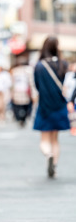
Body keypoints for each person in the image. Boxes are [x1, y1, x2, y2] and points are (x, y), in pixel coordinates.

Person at [33, 36, 70, 178]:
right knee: (55, 139)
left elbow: (37, 86)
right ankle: (54, 165)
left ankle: (48, 155)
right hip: (60, 105)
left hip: (44, 106)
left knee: (44, 140)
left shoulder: (39, 66)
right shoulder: (64, 64)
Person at [10, 55, 37, 127]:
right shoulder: (29, 70)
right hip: (26, 92)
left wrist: (11, 93)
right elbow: (31, 82)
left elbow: (12, 83)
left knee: (18, 106)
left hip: (17, 91)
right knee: (26, 106)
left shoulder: (14, 71)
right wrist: (34, 93)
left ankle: (20, 118)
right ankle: (23, 118)